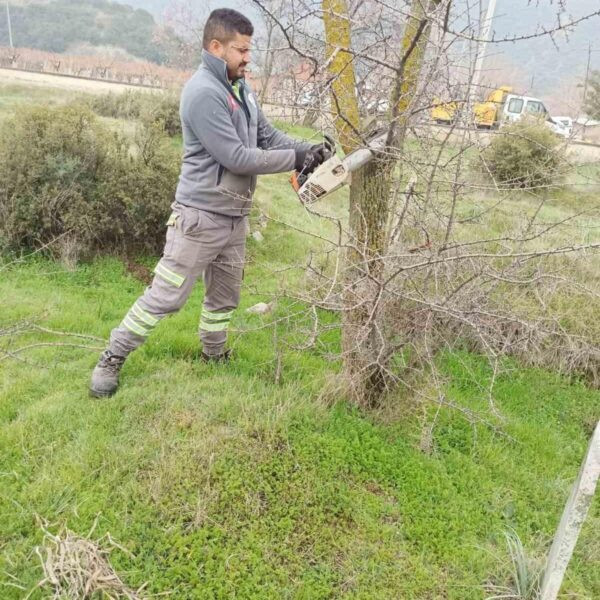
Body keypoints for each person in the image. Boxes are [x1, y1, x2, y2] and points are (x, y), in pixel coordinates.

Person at [89, 8, 331, 397]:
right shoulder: (203, 93)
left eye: (249, 49)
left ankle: (213, 355)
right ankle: (112, 358)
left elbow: (266, 137)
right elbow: (236, 156)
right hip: (199, 219)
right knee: (166, 295)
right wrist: (296, 160)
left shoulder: (240, 88)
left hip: (235, 217)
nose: (247, 57)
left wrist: (308, 149)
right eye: (240, 49)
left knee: (224, 296)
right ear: (215, 46)